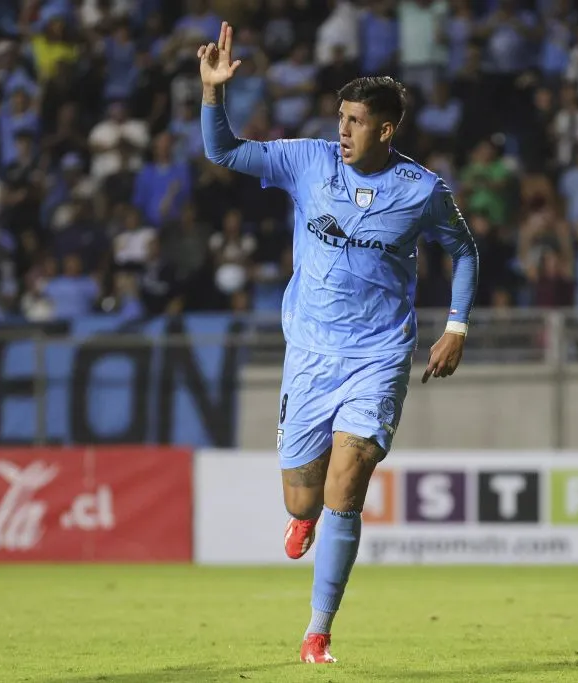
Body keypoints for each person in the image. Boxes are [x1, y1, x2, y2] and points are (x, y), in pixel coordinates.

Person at [198, 23, 479, 664]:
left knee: (347, 485)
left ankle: (318, 629)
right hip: (310, 354)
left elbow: (464, 250)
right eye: (340, 118)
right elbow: (224, 152)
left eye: (355, 122)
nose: (343, 131)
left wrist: (457, 324)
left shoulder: (423, 191)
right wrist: (213, 94)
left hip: (379, 355)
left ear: (386, 130)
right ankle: (304, 515)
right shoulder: (306, 161)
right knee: (305, 497)